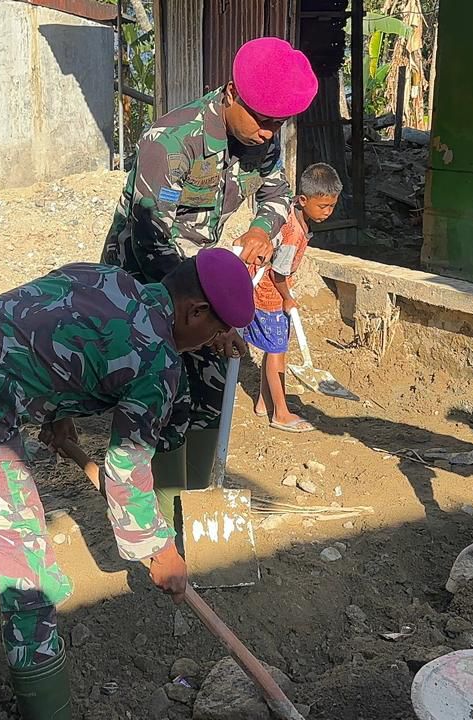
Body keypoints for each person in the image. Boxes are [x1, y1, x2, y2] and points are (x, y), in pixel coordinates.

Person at [0, 249, 255, 719]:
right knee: (30, 581)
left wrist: (56, 411)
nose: (216, 340)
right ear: (195, 311)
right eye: (218, 328)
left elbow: (38, 326)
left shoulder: (106, 279)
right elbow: (126, 472)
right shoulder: (156, 362)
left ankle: (22, 642)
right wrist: (158, 548)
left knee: (18, 554)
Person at [102, 36, 318, 537]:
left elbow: (278, 193)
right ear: (231, 94)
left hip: (199, 283)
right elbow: (152, 242)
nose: (269, 134)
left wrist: (261, 229)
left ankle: (198, 503)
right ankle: (162, 518)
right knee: (166, 394)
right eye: (263, 120)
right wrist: (212, 317)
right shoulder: (170, 140)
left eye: (279, 124)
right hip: (144, 288)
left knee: (214, 385)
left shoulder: (261, 142)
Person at [245, 163, 341, 432]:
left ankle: (265, 402)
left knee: (272, 348)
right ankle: (281, 413)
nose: (328, 212)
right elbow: (278, 272)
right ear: (303, 200)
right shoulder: (293, 233)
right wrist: (287, 297)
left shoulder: (289, 214)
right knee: (278, 352)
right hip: (269, 294)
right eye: (323, 206)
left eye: (332, 206)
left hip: (264, 287)